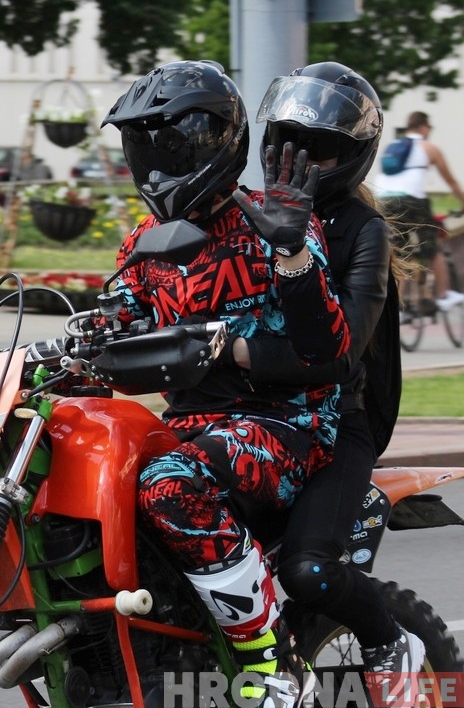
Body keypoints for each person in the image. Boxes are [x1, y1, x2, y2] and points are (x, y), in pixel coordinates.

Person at [101, 60, 349, 708]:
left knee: (169, 483)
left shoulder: (277, 221)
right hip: (188, 426)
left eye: (170, 145)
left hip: (285, 425)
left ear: (217, 142)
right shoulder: (144, 245)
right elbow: (108, 328)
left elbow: (326, 350)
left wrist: (293, 254)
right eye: (144, 147)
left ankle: (272, 660)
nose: (157, 163)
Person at [246, 63, 425, 704]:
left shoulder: (361, 231)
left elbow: (339, 350)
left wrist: (238, 352)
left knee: (308, 570)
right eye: (286, 144)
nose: (297, 162)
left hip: (335, 422)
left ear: (351, 156)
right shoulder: (241, 215)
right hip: (247, 416)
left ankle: (390, 641)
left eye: (316, 150)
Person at [377, 110, 464, 311]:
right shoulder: (428, 147)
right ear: (423, 127)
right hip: (412, 200)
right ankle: (443, 296)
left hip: (385, 200)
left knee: (400, 252)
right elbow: (450, 180)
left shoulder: (393, 147)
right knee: (432, 247)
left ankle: (398, 308)